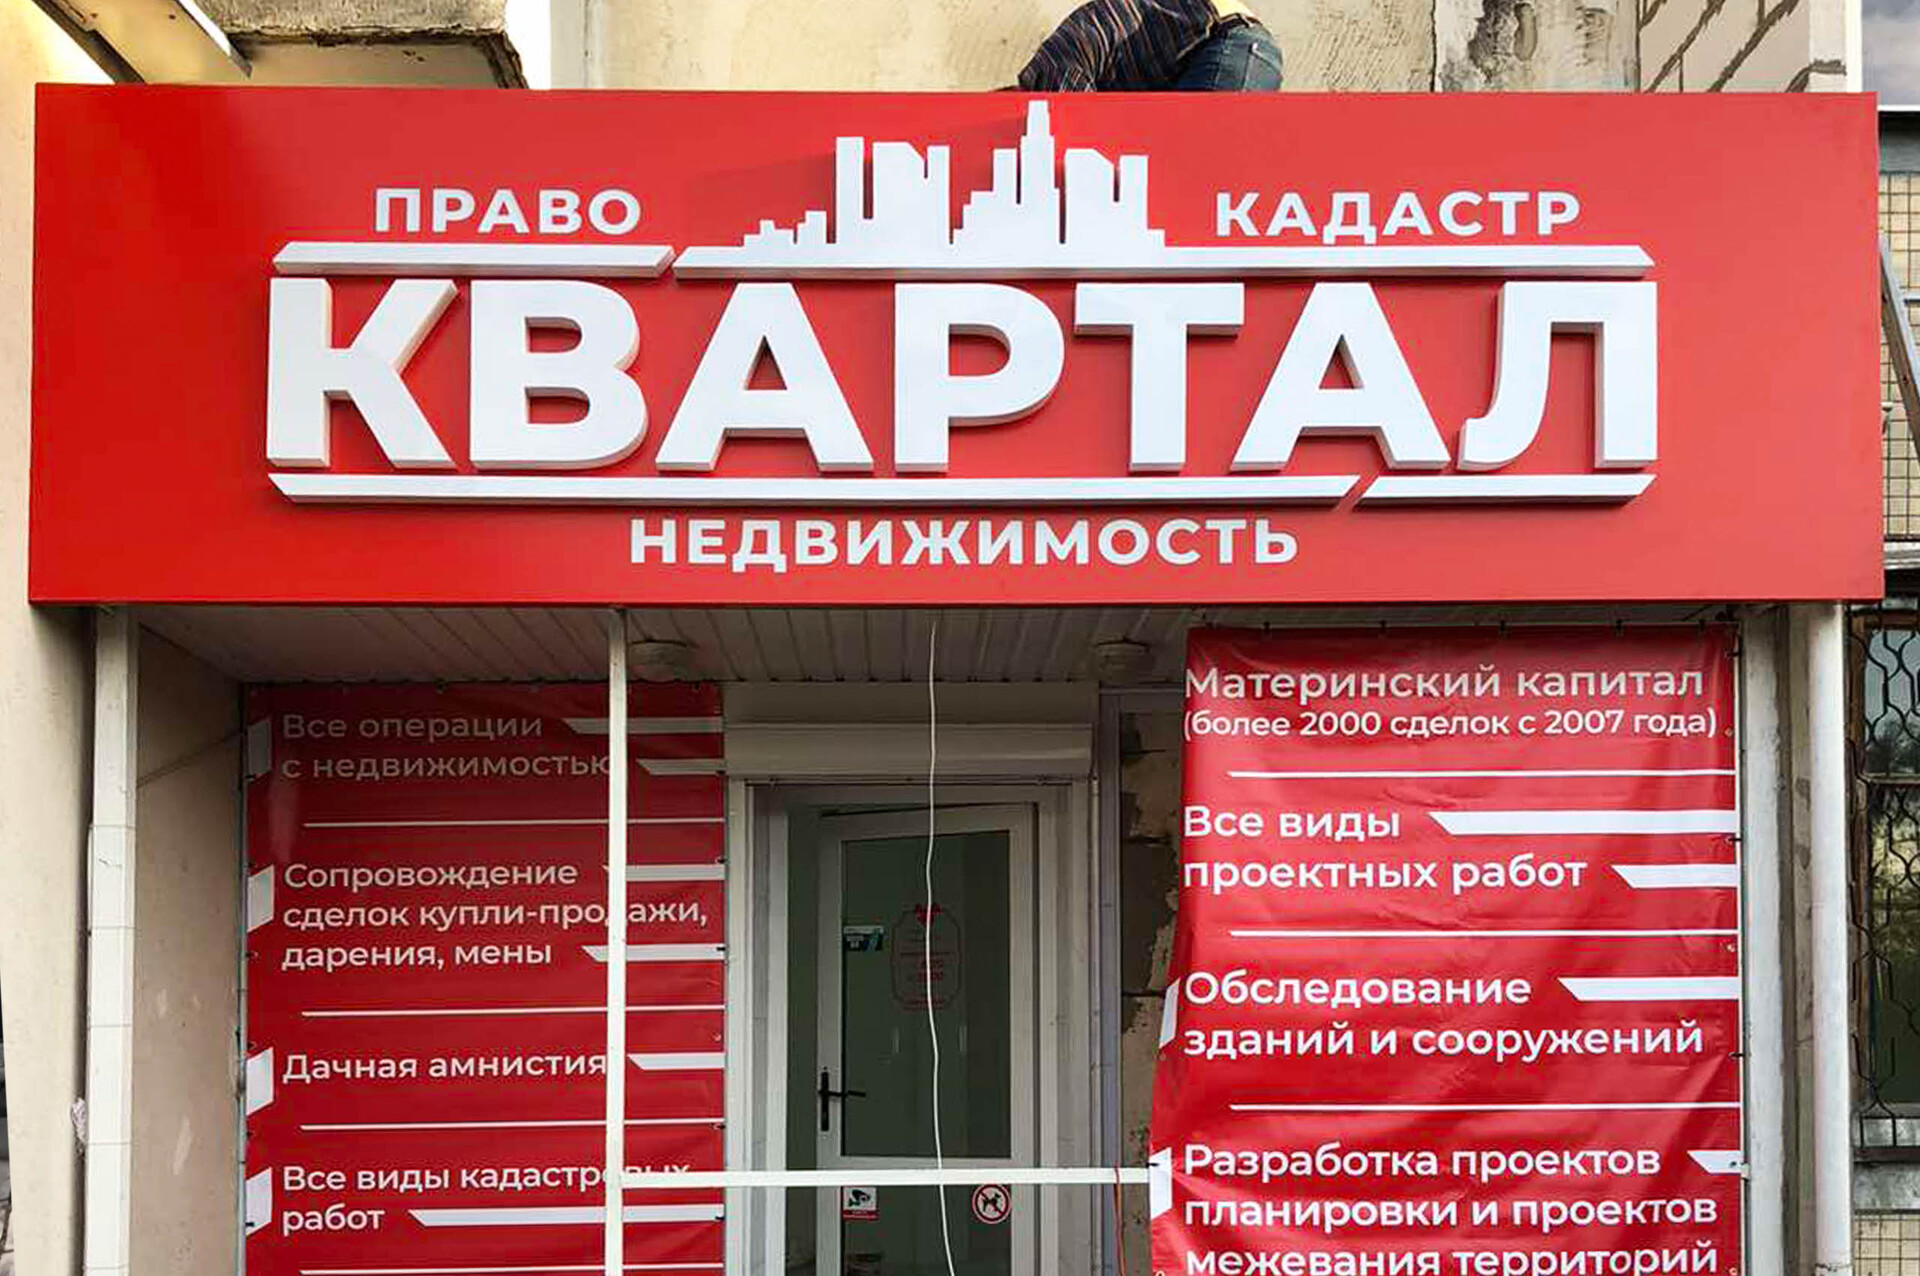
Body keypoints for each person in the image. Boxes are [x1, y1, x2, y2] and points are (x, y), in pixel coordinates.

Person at [1015, 0, 1283, 92]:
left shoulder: (1052, 70)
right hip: (1226, 48)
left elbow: (1078, 132)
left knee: (1185, 163)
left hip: (1229, 43)